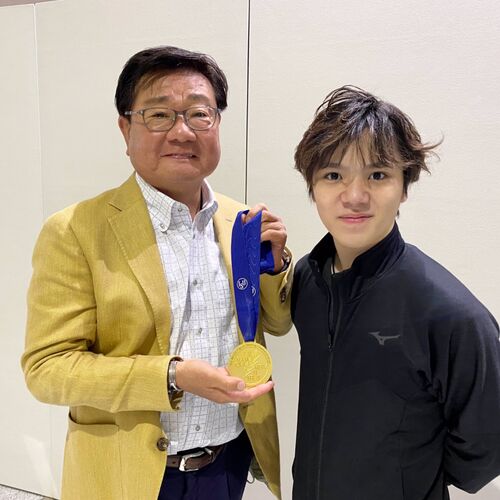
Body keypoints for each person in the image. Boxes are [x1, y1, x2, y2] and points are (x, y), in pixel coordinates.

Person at [21, 46, 293, 500]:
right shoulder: (75, 231)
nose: (182, 131)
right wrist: (171, 376)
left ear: (217, 123)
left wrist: (275, 265)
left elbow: (277, 325)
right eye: (159, 115)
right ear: (125, 129)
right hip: (126, 474)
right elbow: (47, 369)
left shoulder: (243, 221)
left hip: (228, 463)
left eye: (199, 114)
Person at [291, 85, 500, 500]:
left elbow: (487, 444)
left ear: (404, 186)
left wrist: (411, 478)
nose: (354, 196)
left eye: (377, 175)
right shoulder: (307, 281)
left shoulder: (450, 312)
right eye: (333, 175)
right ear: (312, 186)